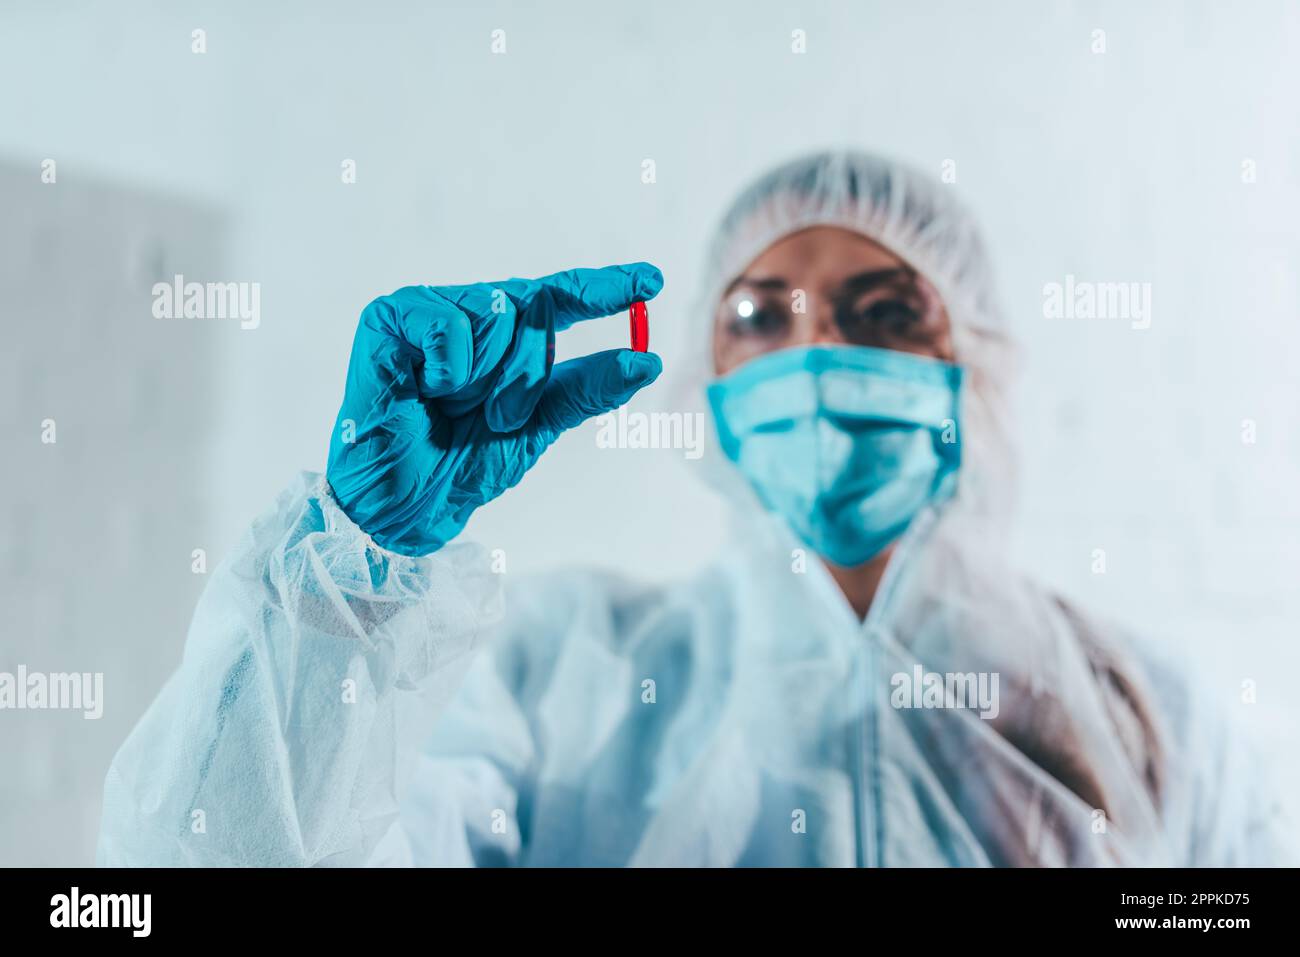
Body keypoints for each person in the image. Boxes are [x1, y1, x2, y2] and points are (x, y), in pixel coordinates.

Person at [97, 150, 1289, 866]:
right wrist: (356, 575)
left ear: (975, 362)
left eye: (884, 311)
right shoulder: (569, 673)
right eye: (761, 317)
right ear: (710, 388)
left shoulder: (1151, 717)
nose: (817, 350)